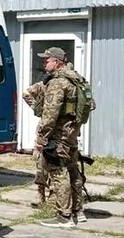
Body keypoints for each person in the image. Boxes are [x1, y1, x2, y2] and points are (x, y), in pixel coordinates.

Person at [36, 48, 87, 227]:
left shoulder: (58, 82)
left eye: (47, 60)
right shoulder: (75, 78)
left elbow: (50, 114)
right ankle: (78, 211)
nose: (44, 63)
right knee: (73, 170)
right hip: (71, 133)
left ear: (57, 62)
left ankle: (64, 216)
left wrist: (41, 138)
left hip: (59, 135)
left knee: (58, 171)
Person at [23, 80, 51, 207]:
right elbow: (26, 94)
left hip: (61, 129)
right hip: (46, 127)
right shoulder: (44, 84)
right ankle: (41, 194)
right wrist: (38, 109)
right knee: (41, 161)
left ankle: (54, 195)